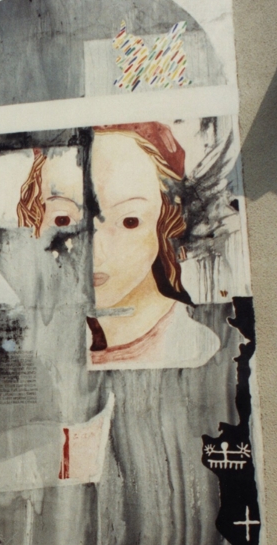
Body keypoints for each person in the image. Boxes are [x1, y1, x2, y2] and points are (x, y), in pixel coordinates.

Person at [18, 122, 221, 370]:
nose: (94, 253)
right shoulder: (26, 344)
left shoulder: (197, 351)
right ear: (35, 219)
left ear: (166, 220)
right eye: (63, 219)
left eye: (129, 221)